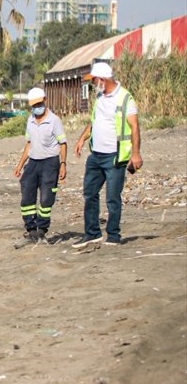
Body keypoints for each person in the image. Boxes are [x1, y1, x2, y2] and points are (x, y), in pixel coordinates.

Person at [72, 62, 143, 248]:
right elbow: (94, 121)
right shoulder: (100, 97)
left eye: (94, 80)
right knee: (90, 194)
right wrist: (82, 138)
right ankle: (92, 233)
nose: (93, 83)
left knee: (112, 198)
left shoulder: (125, 98)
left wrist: (136, 154)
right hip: (96, 155)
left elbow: (135, 126)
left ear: (102, 79)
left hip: (114, 157)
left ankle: (113, 235)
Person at [13, 87, 67, 246]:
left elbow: (63, 144)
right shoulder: (30, 120)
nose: (37, 107)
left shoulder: (54, 120)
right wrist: (20, 164)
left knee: (46, 199)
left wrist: (63, 164)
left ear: (45, 100)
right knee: (27, 197)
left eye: (39, 104)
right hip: (33, 163)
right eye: (33, 105)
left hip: (50, 163)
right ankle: (31, 231)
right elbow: (29, 144)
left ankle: (42, 231)